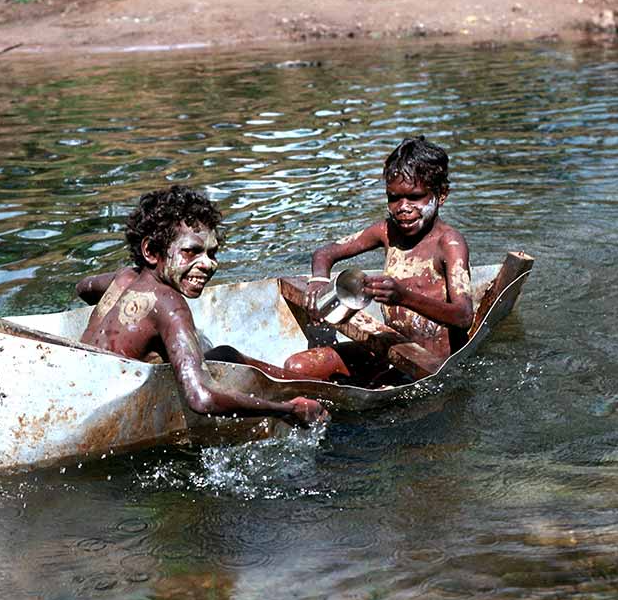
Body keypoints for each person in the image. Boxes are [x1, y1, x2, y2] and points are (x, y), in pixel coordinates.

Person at [76, 185, 327, 427]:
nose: (208, 264)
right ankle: (307, 391)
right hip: (110, 408)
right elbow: (201, 398)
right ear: (151, 251)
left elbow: (83, 287)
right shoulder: (168, 303)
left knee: (224, 354)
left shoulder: (124, 278)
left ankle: (305, 383)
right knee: (227, 357)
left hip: (83, 387)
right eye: (191, 252)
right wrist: (286, 411)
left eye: (212, 253)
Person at [283, 136, 474, 383]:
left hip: (428, 364)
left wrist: (403, 297)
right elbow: (326, 252)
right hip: (391, 349)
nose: (402, 208)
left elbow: (463, 316)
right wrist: (319, 279)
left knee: (372, 386)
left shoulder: (449, 242)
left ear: (442, 194)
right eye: (393, 198)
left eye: (415, 197)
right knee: (297, 366)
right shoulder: (387, 231)